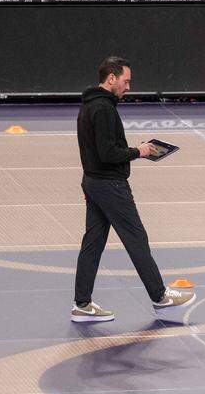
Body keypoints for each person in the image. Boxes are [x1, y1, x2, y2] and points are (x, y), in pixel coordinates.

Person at [72, 57, 195, 323]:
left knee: (92, 244)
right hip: (110, 185)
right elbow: (107, 153)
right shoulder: (104, 109)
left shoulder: (88, 106)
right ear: (111, 78)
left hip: (93, 182)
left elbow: (94, 149)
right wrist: (139, 151)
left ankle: (82, 304)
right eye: (126, 81)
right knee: (136, 238)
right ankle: (160, 297)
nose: (128, 86)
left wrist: (91, 183)